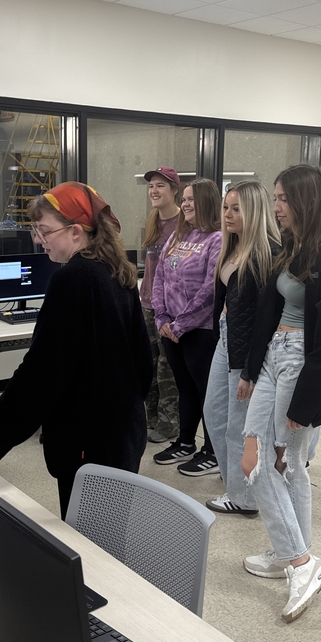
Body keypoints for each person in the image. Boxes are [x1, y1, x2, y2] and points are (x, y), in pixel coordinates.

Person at [0, 181, 153, 518]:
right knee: (106, 534)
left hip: (87, 443)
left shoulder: (73, 280)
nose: (38, 239)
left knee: (87, 542)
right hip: (123, 433)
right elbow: (142, 361)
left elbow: (40, 375)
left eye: (44, 230)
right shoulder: (117, 271)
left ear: (76, 232)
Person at [241, 164, 321, 623]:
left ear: (305, 201)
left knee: (283, 462)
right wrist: (252, 369)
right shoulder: (292, 248)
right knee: (256, 457)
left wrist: (306, 402)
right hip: (277, 355)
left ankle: (296, 559)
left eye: (283, 200)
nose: (276, 208)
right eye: (275, 199)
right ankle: (295, 553)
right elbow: (271, 312)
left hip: (301, 363)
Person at [203, 181, 280, 514]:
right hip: (226, 337)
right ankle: (234, 481)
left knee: (238, 424)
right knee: (214, 413)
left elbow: (265, 320)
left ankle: (244, 498)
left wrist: (250, 369)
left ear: (255, 211)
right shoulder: (230, 246)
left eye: (237, 208)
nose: (228, 214)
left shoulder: (267, 254)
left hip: (248, 346)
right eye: (226, 207)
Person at [151, 178, 222, 475]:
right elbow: (160, 279)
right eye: (186, 199)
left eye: (193, 199)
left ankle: (213, 451)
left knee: (207, 392)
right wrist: (162, 318)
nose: (186, 204)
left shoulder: (218, 238)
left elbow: (211, 290)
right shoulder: (179, 236)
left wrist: (180, 324)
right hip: (172, 329)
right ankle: (185, 443)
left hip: (200, 331)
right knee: (185, 389)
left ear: (206, 202)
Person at [139, 167, 181, 445]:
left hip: (170, 309)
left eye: (160, 186)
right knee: (147, 366)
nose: (154, 191)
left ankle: (169, 424)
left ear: (175, 191)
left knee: (167, 370)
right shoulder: (153, 220)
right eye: (151, 186)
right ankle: (150, 420)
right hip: (147, 303)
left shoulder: (185, 223)